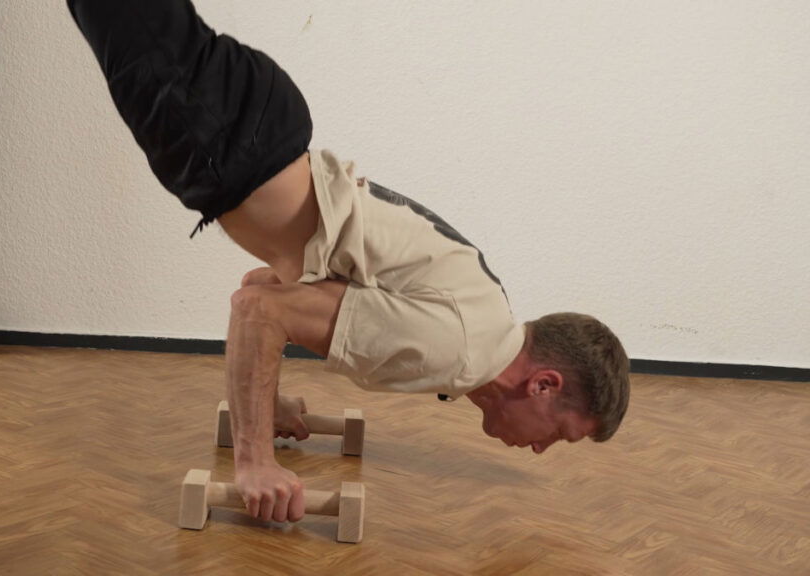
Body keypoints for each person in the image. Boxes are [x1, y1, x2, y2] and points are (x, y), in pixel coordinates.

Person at [65, 0, 630, 525]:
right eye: (558, 435)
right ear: (543, 385)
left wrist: (269, 403)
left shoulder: (483, 315)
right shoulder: (457, 350)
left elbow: (267, 285)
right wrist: (254, 461)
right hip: (226, 135)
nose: (538, 449)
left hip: (246, 132)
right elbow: (257, 310)